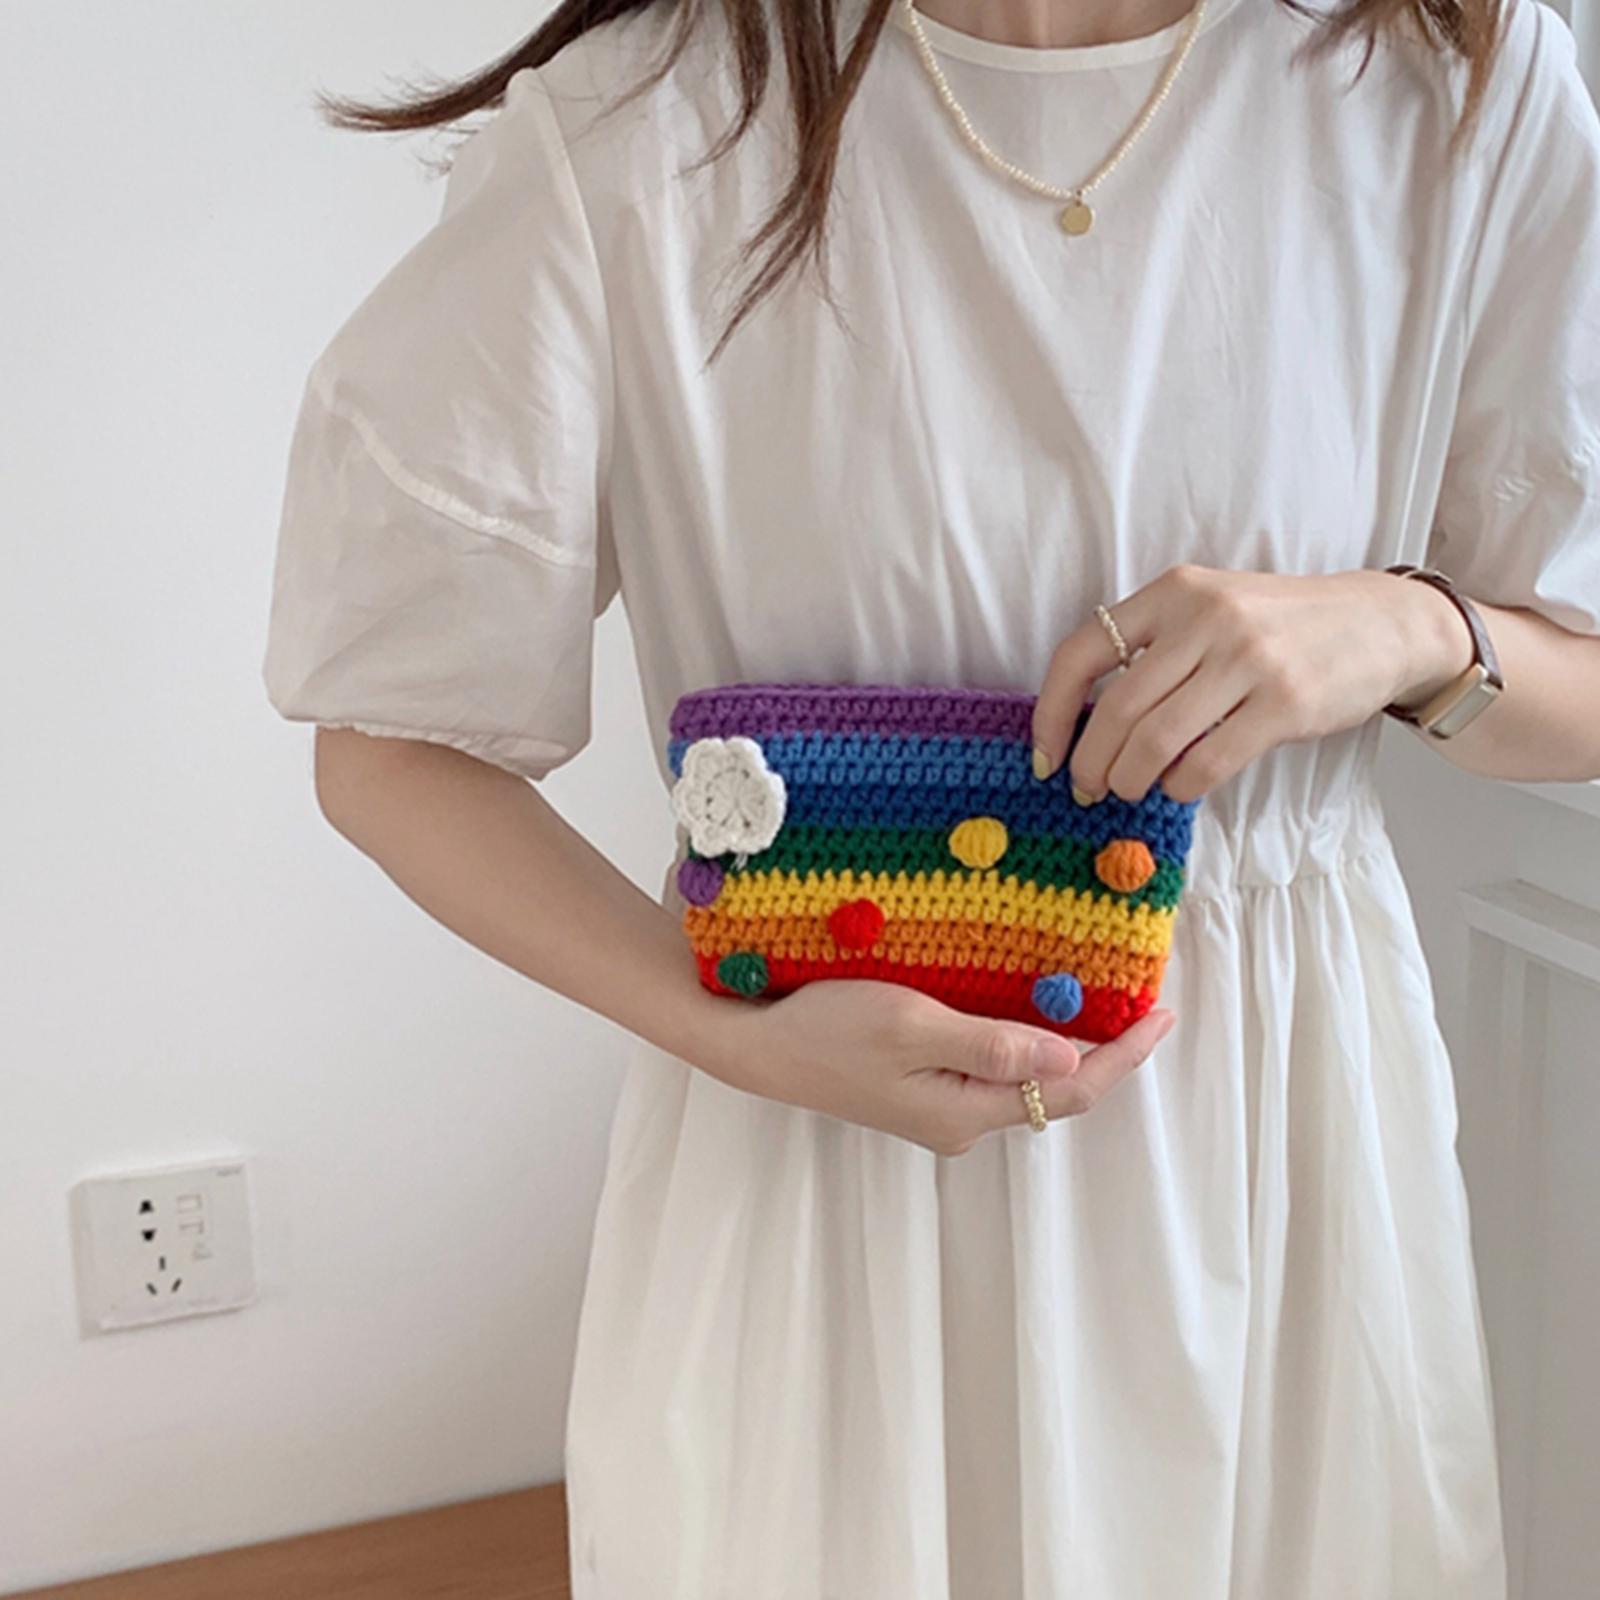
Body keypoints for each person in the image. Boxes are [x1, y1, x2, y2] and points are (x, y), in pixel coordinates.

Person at [260, 0, 1600, 1592]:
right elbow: (390, 735)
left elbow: (1576, 682)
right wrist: (729, 1035)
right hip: (825, 1155)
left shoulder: (1448, 73)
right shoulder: (644, 124)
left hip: (1285, 1155)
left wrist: (1407, 626)